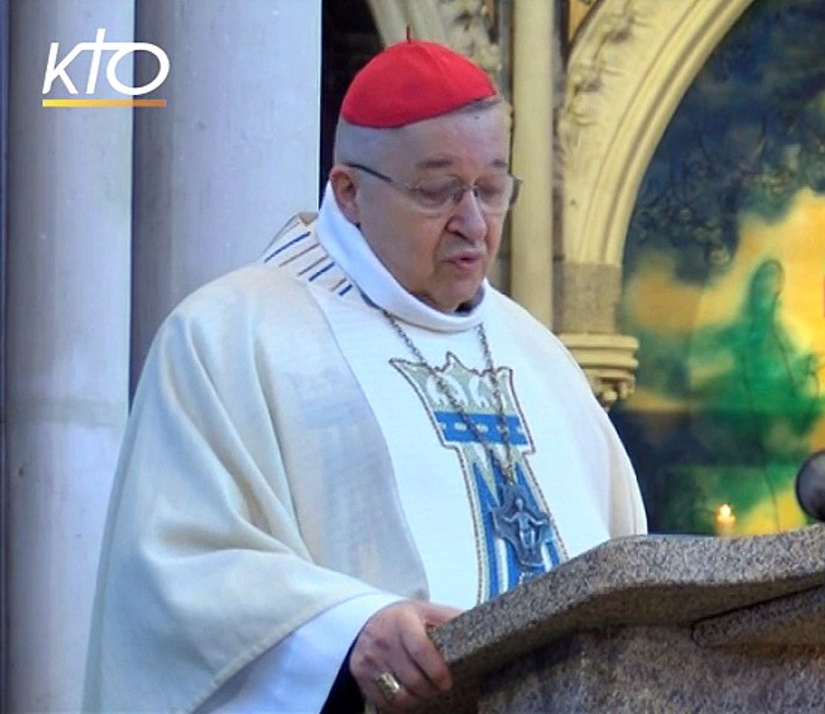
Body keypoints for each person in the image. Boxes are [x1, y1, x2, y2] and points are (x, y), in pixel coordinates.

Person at [84, 40, 648, 714]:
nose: (473, 222)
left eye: (492, 188)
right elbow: (172, 577)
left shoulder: (539, 358)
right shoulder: (233, 336)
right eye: (438, 190)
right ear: (349, 193)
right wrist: (350, 627)